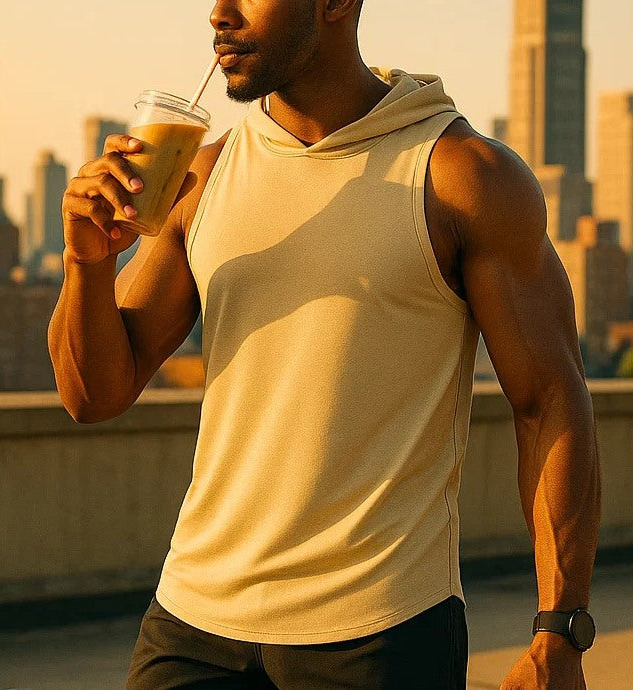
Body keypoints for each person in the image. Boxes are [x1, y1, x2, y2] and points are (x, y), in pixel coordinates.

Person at [48, 0, 601, 687]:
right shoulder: (205, 178)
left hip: (380, 634)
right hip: (193, 619)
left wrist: (561, 630)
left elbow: (548, 400)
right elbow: (92, 394)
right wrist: (87, 264)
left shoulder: (461, 174)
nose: (219, 13)